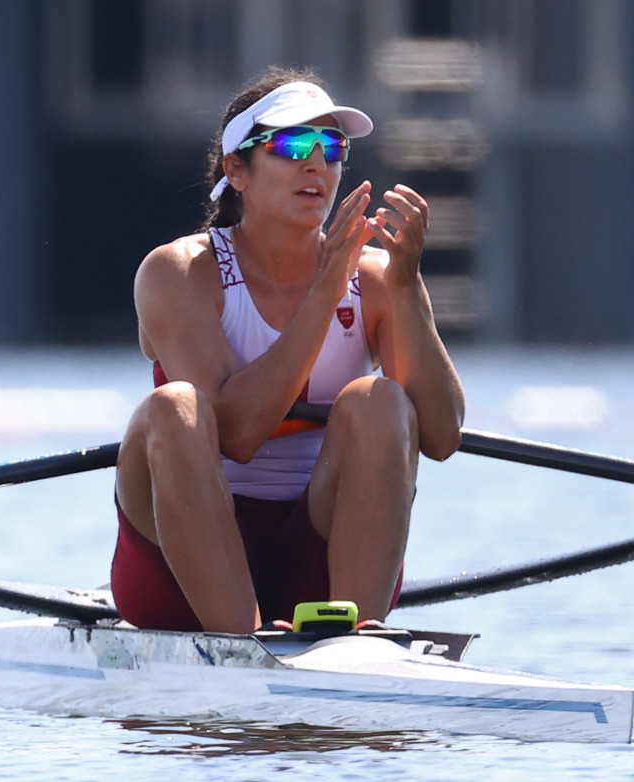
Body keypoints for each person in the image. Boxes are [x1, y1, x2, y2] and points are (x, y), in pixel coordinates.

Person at [111, 66, 465, 634]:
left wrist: (404, 288)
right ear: (237, 170)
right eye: (291, 143)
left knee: (382, 401)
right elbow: (239, 434)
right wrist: (326, 287)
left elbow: (444, 438)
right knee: (174, 409)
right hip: (180, 572)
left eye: (331, 146)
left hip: (318, 555)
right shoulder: (179, 273)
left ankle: (357, 645)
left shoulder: (375, 278)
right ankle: (241, 641)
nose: (316, 163)